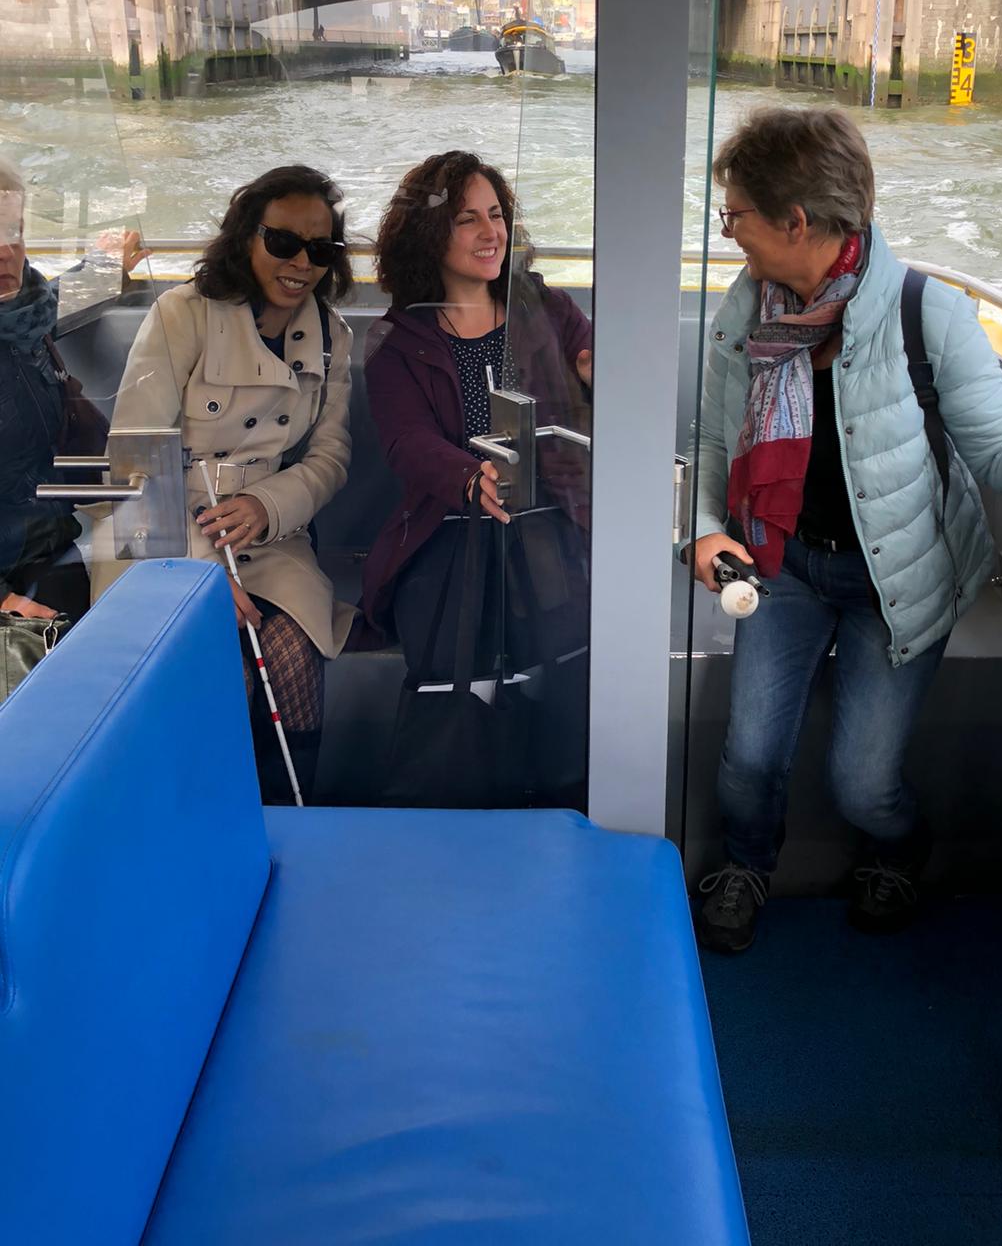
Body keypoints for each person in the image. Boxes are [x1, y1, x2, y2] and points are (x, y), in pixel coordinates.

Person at [688, 106, 1002, 951]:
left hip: (897, 580)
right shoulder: (746, 309)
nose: (732, 236)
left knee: (864, 783)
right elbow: (710, 445)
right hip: (783, 563)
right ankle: (748, 864)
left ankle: (897, 850)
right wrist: (701, 530)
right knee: (750, 758)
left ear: (797, 222)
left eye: (738, 217)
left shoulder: (924, 312)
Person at [95, 164, 355, 800]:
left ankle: (292, 820)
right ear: (247, 237)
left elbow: (332, 454)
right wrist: (197, 572)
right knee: (216, 670)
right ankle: (202, 827)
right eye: (283, 242)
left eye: (320, 249)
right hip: (162, 533)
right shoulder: (182, 314)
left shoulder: (331, 337)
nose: (301, 263)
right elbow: (133, 465)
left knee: (291, 657)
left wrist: (269, 504)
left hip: (270, 533)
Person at [355, 149, 592, 671]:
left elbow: (591, 363)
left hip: (553, 516)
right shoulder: (397, 339)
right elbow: (406, 441)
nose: (491, 232)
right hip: (452, 524)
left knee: (566, 633)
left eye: (496, 215)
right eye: (467, 220)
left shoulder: (547, 308)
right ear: (428, 236)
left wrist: (596, 373)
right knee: (450, 636)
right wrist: (469, 476)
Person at [1, 158, 143, 632]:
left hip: (45, 546)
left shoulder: (20, 315)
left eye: (13, 230)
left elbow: (49, 307)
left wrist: (104, 268)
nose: (6, 251)